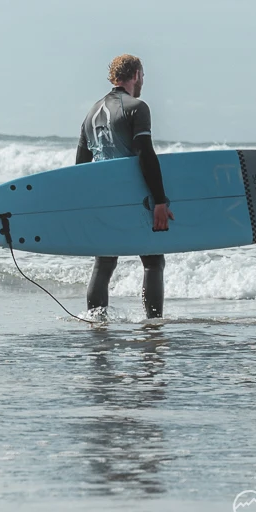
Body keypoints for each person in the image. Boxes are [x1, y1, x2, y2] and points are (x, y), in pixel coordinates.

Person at [75, 54, 174, 318]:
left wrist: (84, 206)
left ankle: (96, 322)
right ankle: (153, 324)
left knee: (104, 264)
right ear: (136, 74)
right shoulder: (137, 107)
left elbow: (80, 168)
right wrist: (160, 201)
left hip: (103, 199)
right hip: (134, 197)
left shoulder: (90, 113)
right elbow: (145, 154)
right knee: (153, 261)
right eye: (143, 76)